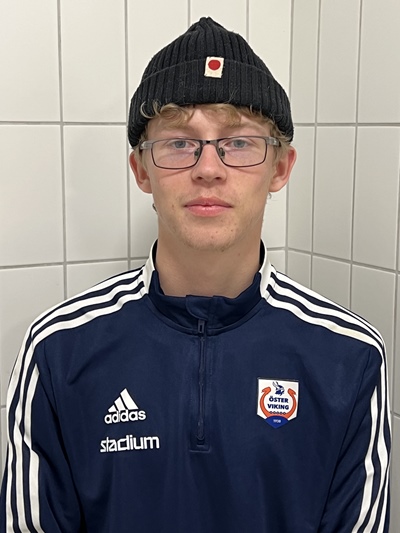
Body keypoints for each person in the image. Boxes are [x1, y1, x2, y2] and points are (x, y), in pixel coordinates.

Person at [0, 17, 391, 533]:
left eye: (240, 142)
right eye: (180, 143)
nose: (208, 168)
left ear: (280, 168)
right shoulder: (57, 350)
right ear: (142, 169)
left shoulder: (350, 358)